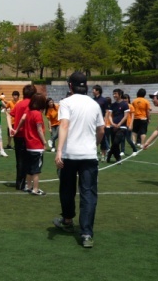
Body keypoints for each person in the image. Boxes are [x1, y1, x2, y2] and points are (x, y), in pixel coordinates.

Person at [54, 72, 105, 249]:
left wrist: (59, 150)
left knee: (67, 189)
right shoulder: (94, 104)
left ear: (70, 85)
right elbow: (101, 130)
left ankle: (68, 220)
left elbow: (64, 124)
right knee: (88, 193)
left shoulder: (66, 102)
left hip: (70, 154)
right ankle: (86, 233)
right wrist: (94, 145)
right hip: (89, 156)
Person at [8, 84, 37, 190]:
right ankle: (26, 183)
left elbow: (9, 114)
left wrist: (11, 128)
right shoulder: (32, 104)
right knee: (29, 160)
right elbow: (25, 118)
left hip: (18, 135)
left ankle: (19, 182)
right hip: (28, 135)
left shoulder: (19, 104)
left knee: (19, 160)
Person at [24, 93, 48, 195]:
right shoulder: (37, 114)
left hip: (29, 144)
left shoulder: (29, 112)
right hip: (36, 145)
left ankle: (28, 186)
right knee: (36, 169)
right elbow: (39, 129)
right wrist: (44, 142)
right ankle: (35, 189)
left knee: (29, 168)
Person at [106, 89, 131, 163]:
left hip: (122, 127)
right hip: (113, 127)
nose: (114, 95)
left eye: (116, 94)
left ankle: (110, 153)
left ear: (120, 94)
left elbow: (126, 116)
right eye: (113, 94)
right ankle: (118, 158)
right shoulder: (113, 105)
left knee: (116, 142)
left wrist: (119, 124)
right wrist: (112, 123)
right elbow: (109, 115)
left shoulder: (125, 104)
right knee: (115, 144)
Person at [92, 85, 109, 161]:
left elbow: (107, 111)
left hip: (101, 121)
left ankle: (103, 155)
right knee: (93, 138)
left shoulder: (104, 100)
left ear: (98, 91)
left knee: (103, 139)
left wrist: (105, 121)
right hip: (93, 122)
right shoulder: (92, 100)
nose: (92, 91)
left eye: (94, 90)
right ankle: (93, 154)